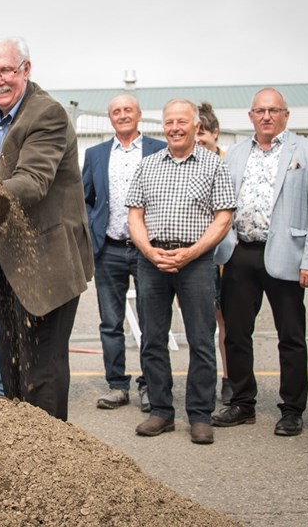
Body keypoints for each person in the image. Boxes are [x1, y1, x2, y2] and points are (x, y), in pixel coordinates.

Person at [0, 37, 93, 421]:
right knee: (11, 368)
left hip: (46, 261)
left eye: (7, 70)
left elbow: (31, 182)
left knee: (42, 371)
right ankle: (23, 457)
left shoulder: (48, 115)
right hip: (3, 259)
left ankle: (51, 457)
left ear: (26, 69)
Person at [211, 87, 308, 437]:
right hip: (240, 252)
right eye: (260, 111)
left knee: (291, 336)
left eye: (273, 110)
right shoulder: (234, 154)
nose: (266, 116)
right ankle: (242, 402)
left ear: (286, 115)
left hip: (286, 255)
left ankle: (292, 409)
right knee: (235, 333)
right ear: (250, 116)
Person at [125, 99, 235, 444]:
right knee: (153, 339)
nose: (174, 128)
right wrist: (148, 250)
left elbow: (224, 217)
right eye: (169, 122)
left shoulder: (214, 166)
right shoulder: (148, 166)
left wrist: (192, 252)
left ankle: (200, 415)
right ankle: (161, 411)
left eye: (181, 122)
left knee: (201, 340)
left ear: (195, 126)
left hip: (197, 262)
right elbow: (135, 215)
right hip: (152, 260)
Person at [83, 94, 165, 411]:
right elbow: (85, 197)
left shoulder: (158, 150)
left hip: (148, 250)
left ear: (139, 115)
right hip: (109, 250)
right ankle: (117, 385)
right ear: (110, 118)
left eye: (128, 110)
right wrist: (93, 227)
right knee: (110, 323)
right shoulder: (96, 154)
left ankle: (149, 385)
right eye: (116, 111)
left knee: (151, 322)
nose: (122, 115)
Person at [195, 101, 232, 406]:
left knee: (226, 321)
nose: (199, 142)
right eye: (195, 137)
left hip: (225, 256)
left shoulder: (227, 164)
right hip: (197, 257)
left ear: (215, 134)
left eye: (204, 135)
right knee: (205, 321)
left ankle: (229, 379)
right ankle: (205, 382)